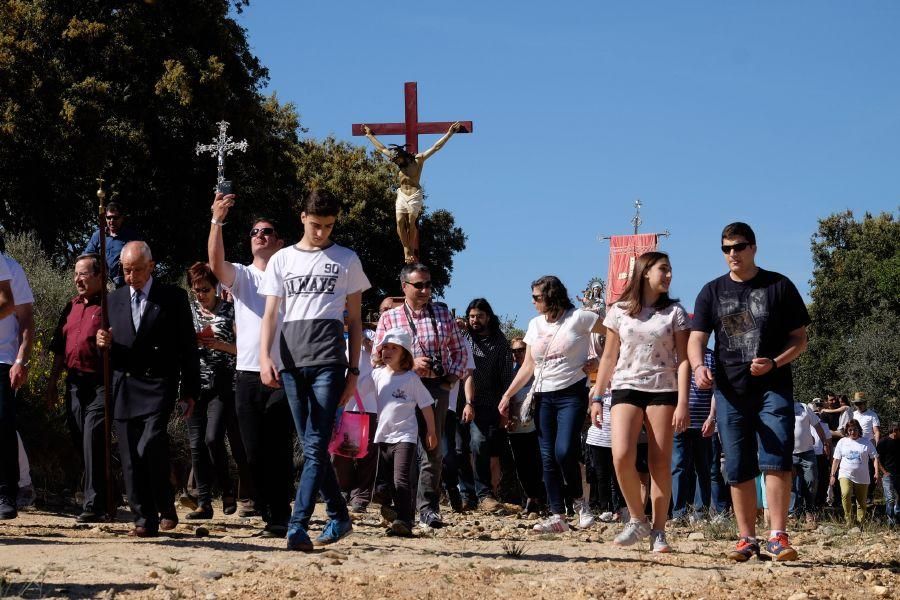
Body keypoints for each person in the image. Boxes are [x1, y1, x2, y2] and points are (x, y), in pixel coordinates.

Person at [689, 222, 810, 562]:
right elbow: (696, 338)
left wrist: (774, 362)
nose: (733, 254)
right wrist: (699, 367)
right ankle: (746, 539)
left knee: (776, 456)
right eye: (726, 248)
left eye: (739, 247)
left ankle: (777, 536)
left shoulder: (779, 285)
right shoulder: (712, 291)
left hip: (773, 387)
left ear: (753, 247)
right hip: (729, 392)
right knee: (738, 464)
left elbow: (800, 339)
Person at [260, 188, 371, 551]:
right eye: (316, 224)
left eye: (329, 226)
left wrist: (353, 371)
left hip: (329, 361)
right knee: (311, 445)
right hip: (291, 361)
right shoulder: (281, 260)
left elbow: (354, 321)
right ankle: (339, 516)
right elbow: (272, 313)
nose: (322, 232)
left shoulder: (347, 259)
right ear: (302, 217)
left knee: (315, 444)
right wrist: (265, 357)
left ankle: (297, 525)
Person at [96, 241, 200, 537]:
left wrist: (190, 390)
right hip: (126, 384)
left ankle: (163, 504)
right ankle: (145, 519)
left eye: (137, 270)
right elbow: (109, 343)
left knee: (150, 445)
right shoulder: (112, 300)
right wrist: (102, 342)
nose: (132, 276)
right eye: (126, 271)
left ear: (151, 267)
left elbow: (187, 348)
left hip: (159, 384)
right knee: (130, 456)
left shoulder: (172, 298)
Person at [590, 252, 690, 552]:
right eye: (663, 269)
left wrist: (683, 401)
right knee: (620, 454)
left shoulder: (675, 312)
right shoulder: (618, 311)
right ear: (645, 272)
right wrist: (597, 395)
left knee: (660, 462)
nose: (669, 275)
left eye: (670, 270)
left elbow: (683, 360)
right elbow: (608, 356)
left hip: (663, 388)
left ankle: (659, 530)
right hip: (625, 386)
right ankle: (637, 518)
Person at [208, 192, 293, 532]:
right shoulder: (243, 276)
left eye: (268, 231)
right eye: (256, 231)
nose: (261, 235)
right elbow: (215, 263)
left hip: (282, 372)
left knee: (279, 447)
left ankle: (280, 514)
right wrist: (217, 220)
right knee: (252, 450)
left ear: (279, 241)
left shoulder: (290, 278)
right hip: (246, 374)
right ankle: (266, 509)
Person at [499, 275, 605, 533]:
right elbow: (528, 366)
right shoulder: (534, 324)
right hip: (543, 395)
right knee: (546, 456)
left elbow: (614, 334)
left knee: (565, 450)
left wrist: (600, 362)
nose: (533, 301)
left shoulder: (579, 318)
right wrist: (507, 396)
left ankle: (580, 503)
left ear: (552, 296)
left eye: (537, 297)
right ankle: (557, 514)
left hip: (571, 393)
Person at [373, 263, 469, 529]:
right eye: (419, 285)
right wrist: (408, 364)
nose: (426, 290)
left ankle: (428, 508)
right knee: (395, 447)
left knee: (432, 447)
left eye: (429, 284)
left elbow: (460, 349)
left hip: (434, 387)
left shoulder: (442, 313)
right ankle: (400, 505)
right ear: (404, 287)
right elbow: (375, 358)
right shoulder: (389, 318)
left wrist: (452, 377)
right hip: (399, 389)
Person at [47, 253, 110, 522]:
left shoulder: (111, 305)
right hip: (74, 383)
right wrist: (52, 384)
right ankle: (109, 496)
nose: (77, 279)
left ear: (99, 276)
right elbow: (59, 351)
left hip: (100, 384)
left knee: (92, 439)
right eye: (75, 274)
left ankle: (93, 505)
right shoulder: (70, 306)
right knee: (79, 439)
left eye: (83, 274)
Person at [184, 262, 245, 520]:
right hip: (193, 383)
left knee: (213, 438)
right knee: (196, 444)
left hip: (223, 384)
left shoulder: (231, 311)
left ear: (216, 287)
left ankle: (228, 487)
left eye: (205, 289)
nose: (201, 294)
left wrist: (219, 344)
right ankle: (204, 502)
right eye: (196, 290)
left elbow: (244, 347)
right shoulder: (187, 312)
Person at [361, 122, 462, 263]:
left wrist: (449, 133)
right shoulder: (397, 161)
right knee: (399, 221)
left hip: (414, 195)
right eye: (395, 160)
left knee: (410, 221)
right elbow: (382, 148)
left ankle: (410, 249)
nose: (396, 162)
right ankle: (407, 249)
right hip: (402, 194)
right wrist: (369, 136)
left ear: (403, 155)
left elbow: (435, 147)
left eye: (398, 160)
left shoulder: (418, 160)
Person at [371, 328, 437, 536]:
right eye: (385, 347)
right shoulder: (377, 375)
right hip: (381, 437)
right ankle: (394, 510)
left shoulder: (410, 378)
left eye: (394, 348)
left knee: (401, 479)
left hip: (404, 437)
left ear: (405, 354)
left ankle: (404, 520)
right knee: (384, 482)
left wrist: (431, 431)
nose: (387, 351)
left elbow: (426, 404)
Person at [462, 298, 514, 511]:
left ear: (488, 317)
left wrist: (505, 408)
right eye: (472, 316)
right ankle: (466, 496)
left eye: (479, 316)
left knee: (480, 445)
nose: (475, 320)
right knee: (459, 449)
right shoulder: (463, 337)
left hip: (487, 403)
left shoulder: (500, 342)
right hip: (460, 401)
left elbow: (506, 377)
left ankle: (485, 495)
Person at [0, 248, 33, 520]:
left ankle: (7, 492)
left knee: (3, 426)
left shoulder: (10, 268)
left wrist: (21, 359)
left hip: (3, 358)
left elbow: (25, 318)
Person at [332, 327, 379, 514]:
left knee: (367, 452)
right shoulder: (330, 329)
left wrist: (372, 348)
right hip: (341, 402)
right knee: (340, 452)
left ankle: (361, 494)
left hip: (369, 402)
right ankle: (342, 490)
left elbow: (384, 355)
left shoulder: (370, 334)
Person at [671, 347, 717, 522]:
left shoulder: (711, 357)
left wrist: (712, 418)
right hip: (678, 423)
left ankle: (700, 513)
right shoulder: (676, 355)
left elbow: (715, 391)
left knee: (704, 469)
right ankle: (678, 514)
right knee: (678, 467)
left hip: (703, 424)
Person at [506, 337, 546, 516]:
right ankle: (530, 499)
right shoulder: (510, 373)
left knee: (538, 465)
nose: (517, 354)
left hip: (537, 427)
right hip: (516, 427)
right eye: (514, 351)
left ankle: (541, 501)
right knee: (522, 466)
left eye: (521, 349)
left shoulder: (537, 371)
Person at [830, 419, 880, 525]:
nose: (852, 432)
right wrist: (833, 475)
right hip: (845, 473)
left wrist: (876, 472)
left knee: (861, 501)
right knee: (845, 493)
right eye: (850, 430)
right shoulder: (842, 442)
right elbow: (836, 460)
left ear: (859, 430)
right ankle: (848, 519)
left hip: (862, 476)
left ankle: (860, 522)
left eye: (855, 429)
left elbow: (874, 458)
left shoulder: (866, 442)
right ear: (847, 431)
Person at [84, 201, 143, 288]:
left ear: (122, 218)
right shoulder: (98, 235)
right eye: (109, 218)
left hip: (125, 284)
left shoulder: (131, 236)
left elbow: (140, 258)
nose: (112, 221)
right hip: (101, 284)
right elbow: (87, 257)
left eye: (115, 218)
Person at [791, 399, 830, 524]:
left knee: (812, 481)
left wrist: (824, 442)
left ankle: (809, 510)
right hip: (789, 454)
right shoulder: (780, 408)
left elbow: (817, 425)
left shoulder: (803, 407)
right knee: (791, 486)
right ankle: (793, 514)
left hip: (807, 452)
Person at [876, 423, 899, 525]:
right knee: (890, 499)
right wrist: (884, 472)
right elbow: (877, 458)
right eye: (895, 430)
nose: (896, 433)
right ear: (892, 430)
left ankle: (897, 518)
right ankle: (890, 521)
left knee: (898, 497)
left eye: (897, 430)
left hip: (899, 475)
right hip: (888, 475)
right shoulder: (883, 442)